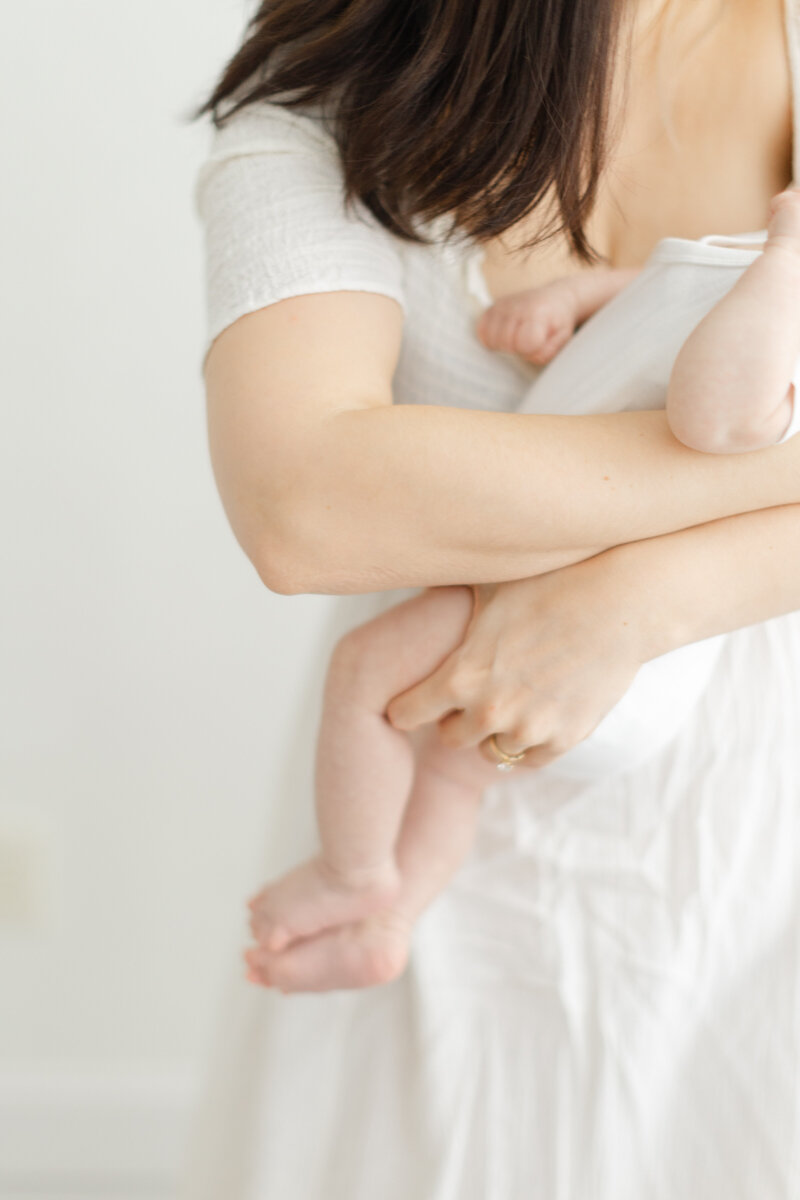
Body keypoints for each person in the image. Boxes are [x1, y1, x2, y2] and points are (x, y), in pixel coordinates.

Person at [181, 0, 800, 1195]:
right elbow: (302, 506)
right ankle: (372, 886)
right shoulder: (337, 92)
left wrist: (638, 601)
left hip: (754, 840)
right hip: (441, 796)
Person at [244, 189, 800, 994]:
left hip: (600, 613)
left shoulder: (783, 290)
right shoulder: (757, 260)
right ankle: (385, 925)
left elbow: (718, 421)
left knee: (364, 672)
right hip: (565, 590)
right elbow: (674, 288)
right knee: (452, 770)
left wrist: (787, 262)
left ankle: (350, 871)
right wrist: (570, 302)